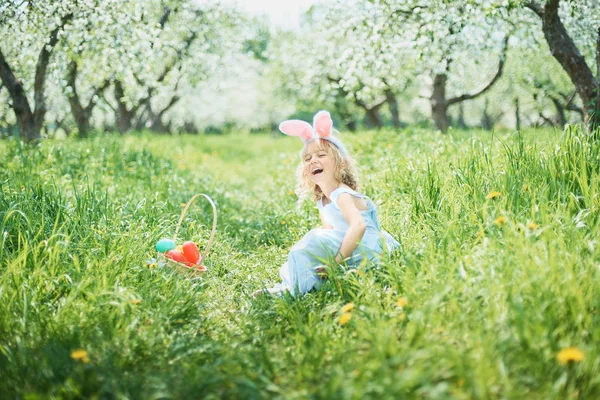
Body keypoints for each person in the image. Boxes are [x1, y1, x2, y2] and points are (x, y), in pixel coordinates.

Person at [254, 110, 400, 297]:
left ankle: (292, 291)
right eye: (308, 158)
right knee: (307, 253)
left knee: (310, 242)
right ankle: (308, 285)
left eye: (321, 155)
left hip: (366, 248)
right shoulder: (322, 201)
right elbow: (329, 234)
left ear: (341, 163)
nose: (313, 160)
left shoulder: (342, 194)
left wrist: (336, 262)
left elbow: (359, 226)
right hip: (353, 248)